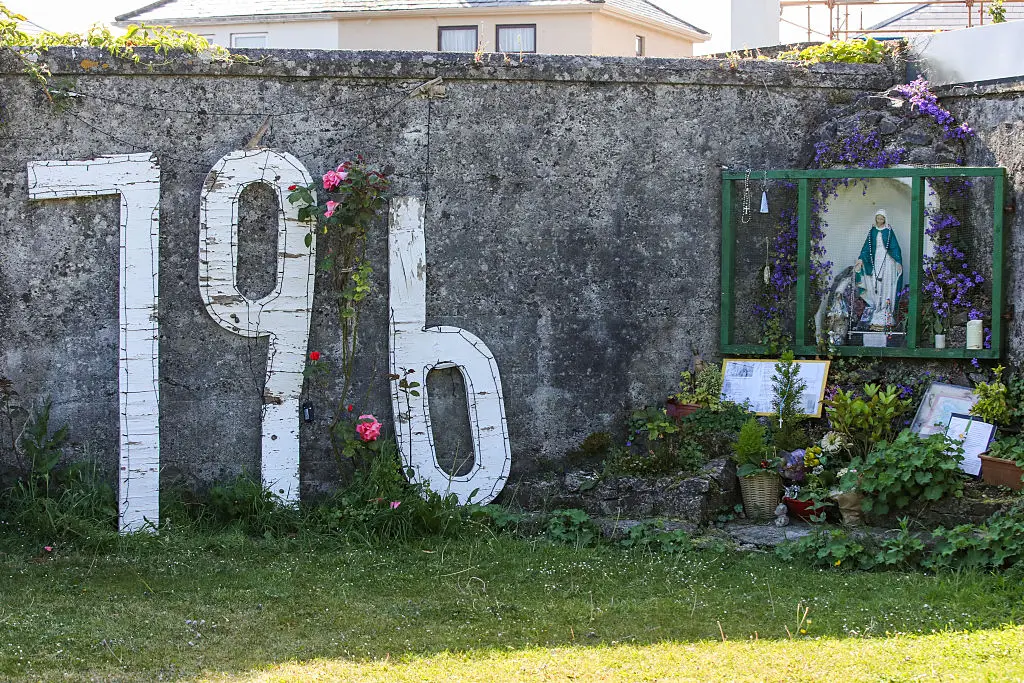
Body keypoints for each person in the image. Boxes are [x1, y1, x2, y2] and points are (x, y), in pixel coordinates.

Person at [854, 209, 903, 330]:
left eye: (881, 219)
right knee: (875, 284)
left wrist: (898, 262)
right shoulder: (872, 231)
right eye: (878, 218)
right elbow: (866, 247)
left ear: (885, 219)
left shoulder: (889, 231)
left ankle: (886, 311)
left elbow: (895, 248)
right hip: (876, 259)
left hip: (888, 261)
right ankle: (877, 308)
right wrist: (860, 259)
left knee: (886, 284)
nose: (879, 221)